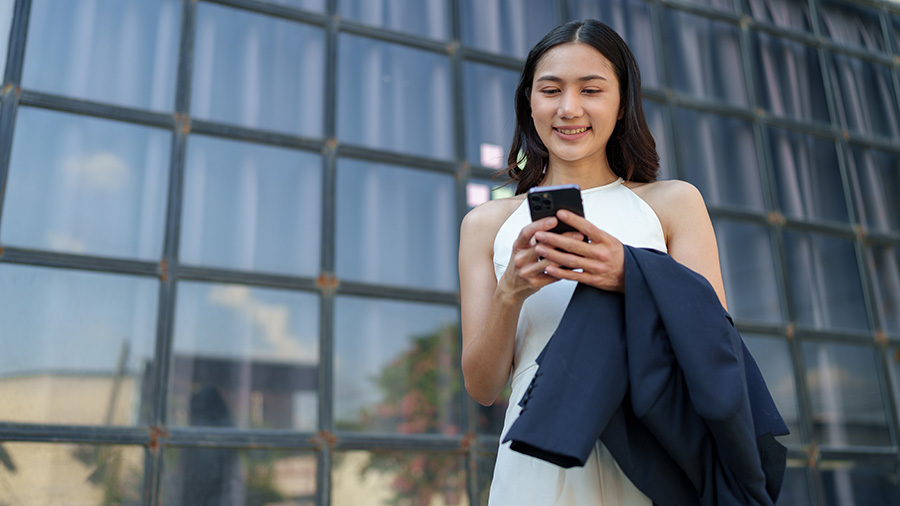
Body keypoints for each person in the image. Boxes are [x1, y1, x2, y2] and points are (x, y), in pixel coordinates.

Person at [458, 19, 728, 505]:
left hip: (650, 455)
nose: (569, 108)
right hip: (534, 460)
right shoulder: (487, 224)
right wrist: (511, 293)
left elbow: (717, 345)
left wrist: (630, 274)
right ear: (529, 101)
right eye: (551, 89)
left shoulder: (673, 203)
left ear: (622, 102)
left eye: (591, 90)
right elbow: (481, 386)